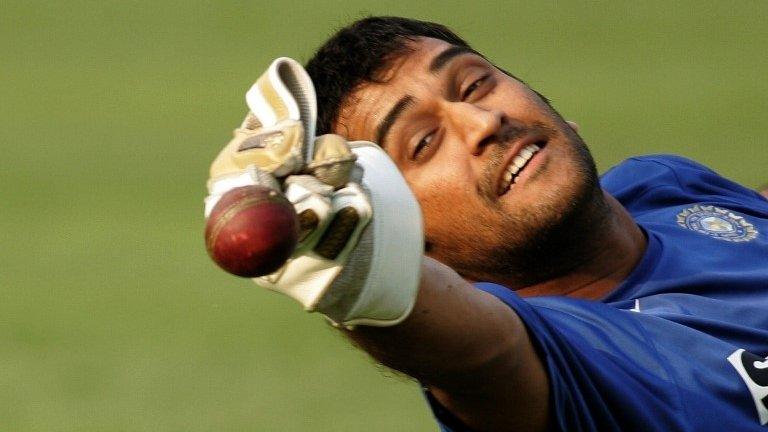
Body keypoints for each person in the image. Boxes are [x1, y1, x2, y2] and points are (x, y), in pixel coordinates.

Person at [205, 16, 768, 432]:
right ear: (412, 238)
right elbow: (474, 352)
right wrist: (350, 261)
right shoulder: (563, 366)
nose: (482, 122)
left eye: (474, 85)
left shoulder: (664, 185)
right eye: (424, 143)